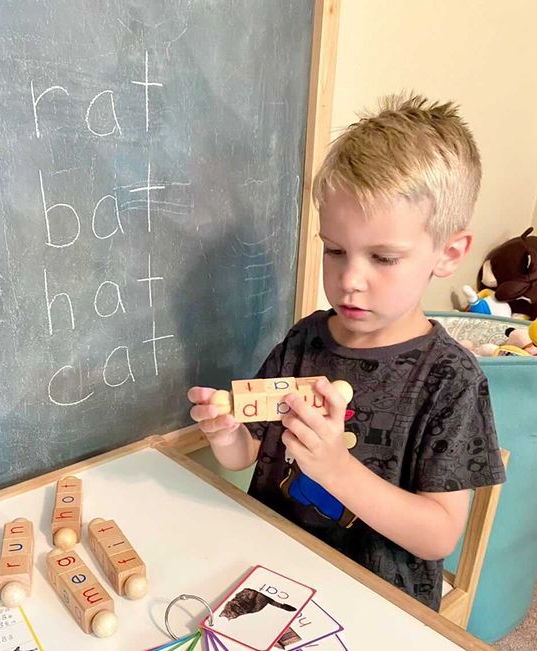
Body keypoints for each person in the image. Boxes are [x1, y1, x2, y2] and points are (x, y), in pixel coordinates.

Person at [187, 94, 506, 611]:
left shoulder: (451, 379)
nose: (350, 279)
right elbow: (249, 453)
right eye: (334, 250)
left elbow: (439, 535)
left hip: (375, 604)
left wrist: (336, 469)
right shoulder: (306, 339)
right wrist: (225, 435)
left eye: (383, 257)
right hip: (275, 576)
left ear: (448, 254)